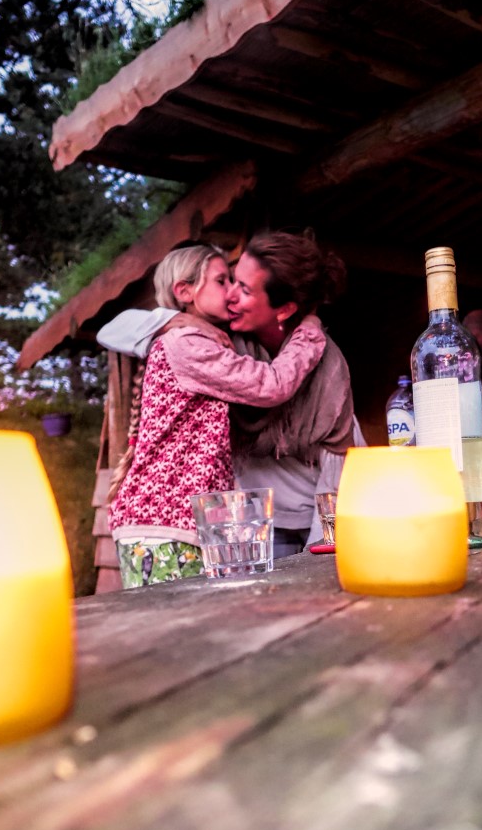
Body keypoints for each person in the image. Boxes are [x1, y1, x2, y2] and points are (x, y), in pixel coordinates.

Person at [102, 243, 326, 586]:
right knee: (178, 634)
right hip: (167, 523)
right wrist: (309, 333)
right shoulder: (187, 342)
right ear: (185, 291)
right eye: (222, 281)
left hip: (171, 523)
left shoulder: (196, 339)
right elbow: (272, 384)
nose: (232, 291)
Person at [225, 231, 358, 556]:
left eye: (244, 289)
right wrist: (175, 321)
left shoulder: (328, 367)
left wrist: (319, 547)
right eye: (231, 280)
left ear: (283, 310)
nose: (229, 295)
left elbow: (337, 470)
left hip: (320, 512)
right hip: (252, 520)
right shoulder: (223, 345)